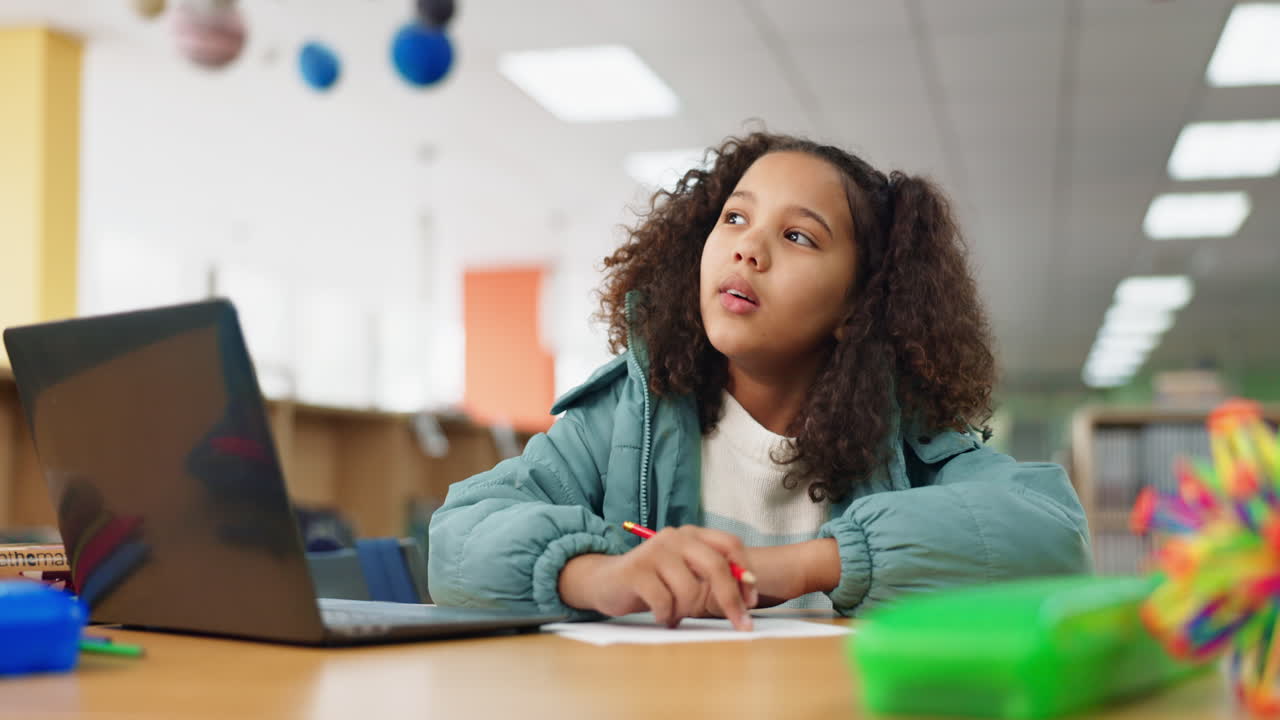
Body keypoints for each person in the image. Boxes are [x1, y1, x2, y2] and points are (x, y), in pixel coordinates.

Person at [428, 131, 1092, 630]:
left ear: (858, 307)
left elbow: (1054, 535)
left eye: (800, 236)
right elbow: (458, 541)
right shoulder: (626, 416)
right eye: (735, 218)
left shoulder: (906, 441)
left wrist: (795, 567)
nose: (749, 247)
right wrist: (596, 576)